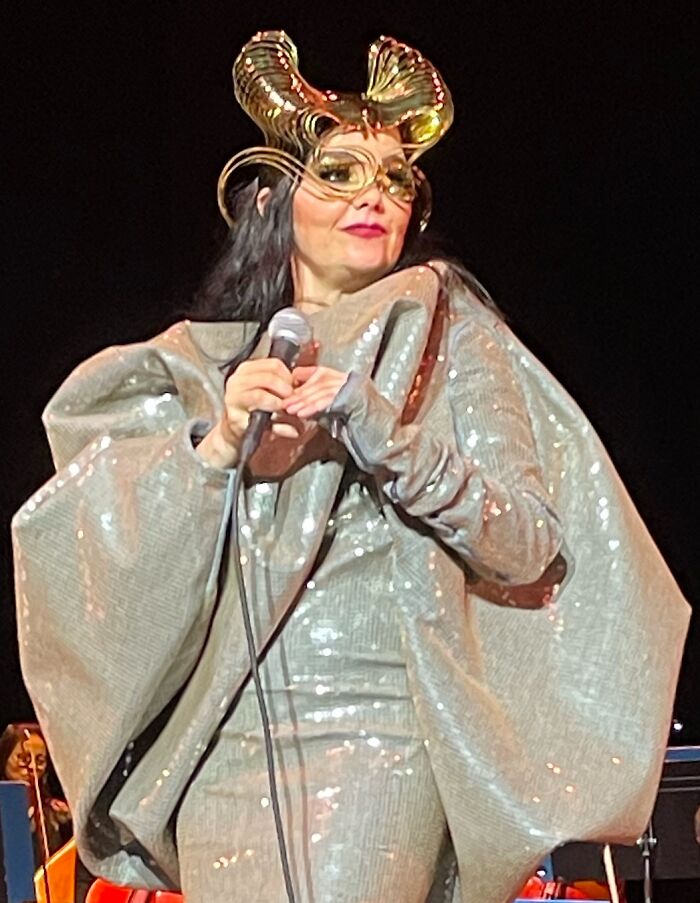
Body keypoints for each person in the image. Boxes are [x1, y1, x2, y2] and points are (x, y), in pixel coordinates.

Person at [12, 30, 690, 903]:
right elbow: (98, 567)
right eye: (340, 172)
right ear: (276, 199)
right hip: (226, 746)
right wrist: (215, 451)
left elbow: (528, 542)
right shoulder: (199, 367)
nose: (375, 194)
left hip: (377, 735)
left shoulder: (447, 330)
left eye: (396, 178)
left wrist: (375, 422)